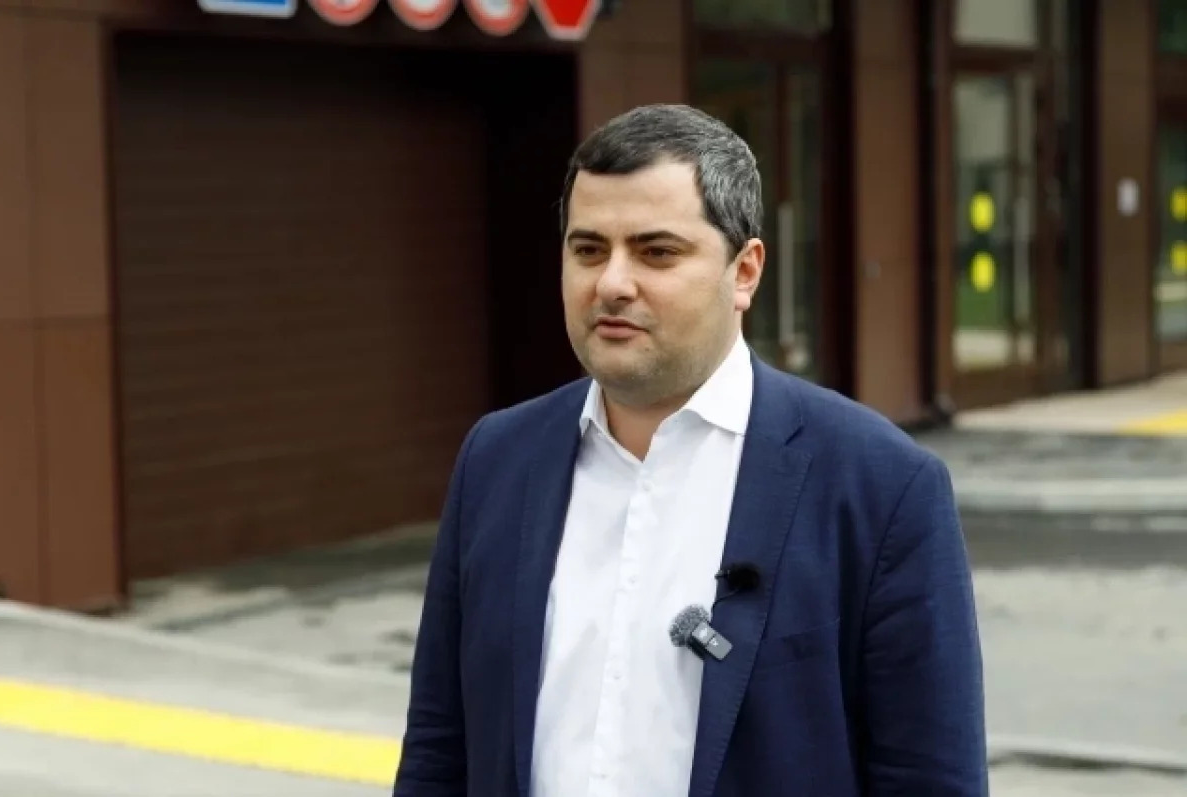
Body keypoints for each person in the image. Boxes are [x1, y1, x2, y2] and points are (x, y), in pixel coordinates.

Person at [393, 104, 987, 797]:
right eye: (588, 250)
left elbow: (931, 777)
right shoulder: (497, 460)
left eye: (656, 252)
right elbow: (440, 746)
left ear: (745, 272)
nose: (612, 283)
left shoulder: (880, 487)